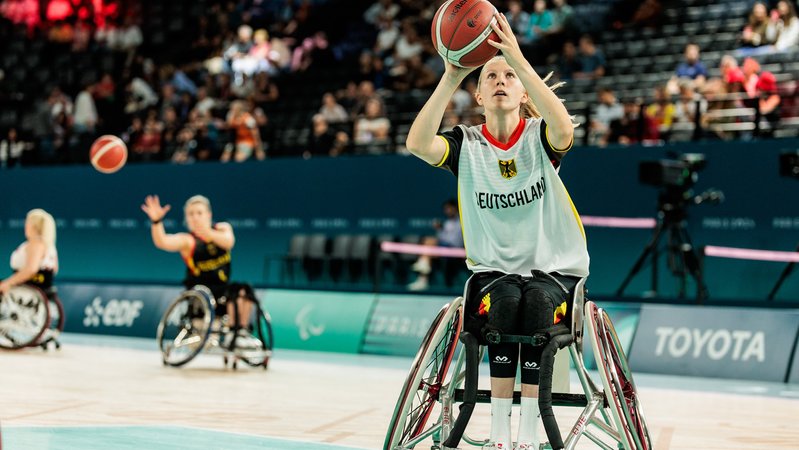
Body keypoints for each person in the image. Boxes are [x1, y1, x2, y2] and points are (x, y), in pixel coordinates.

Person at [405, 12, 589, 450]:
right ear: (480, 95)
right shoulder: (466, 145)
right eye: (491, 76)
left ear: (524, 91)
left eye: (509, 76)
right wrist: (451, 75)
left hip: (555, 271)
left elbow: (564, 127)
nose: (502, 80)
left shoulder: (538, 136)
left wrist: (517, 58)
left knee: (537, 300)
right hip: (494, 275)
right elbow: (416, 144)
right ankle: (501, 431)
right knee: (507, 300)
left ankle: (529, 432)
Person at [140, 195, 258, 348]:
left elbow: (229, 242)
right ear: (186, 219)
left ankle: (239, 332)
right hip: (199, 295)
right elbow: (162, 242)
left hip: (223, 292)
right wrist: (156, 222)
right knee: (206, 294)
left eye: (199, 213)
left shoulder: (223, 229)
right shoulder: (187, 241)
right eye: (191, 214)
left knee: (243, 290)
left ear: (209, 215)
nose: (195, 217)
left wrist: (207, 233)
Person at [0, 209, 58, 298]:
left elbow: (31, 269)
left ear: (32, 226)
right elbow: (54, 270)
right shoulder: (49, 245)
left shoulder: (35, 244)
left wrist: (8, 283)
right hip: (43, 289)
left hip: (29, 290)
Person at [407, 199, 464, 292]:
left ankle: (423, 266)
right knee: (429, 244)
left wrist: (440, 232)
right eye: (446, 209)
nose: (447, 211)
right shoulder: (448, 223)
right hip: (445, 249)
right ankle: (423, 276)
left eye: (449, 208)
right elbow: (443, 238)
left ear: (454, 208)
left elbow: (455, 241)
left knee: (429, 241)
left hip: (455, 250)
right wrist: (440, 230)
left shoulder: (460, 222)